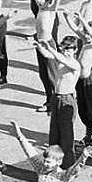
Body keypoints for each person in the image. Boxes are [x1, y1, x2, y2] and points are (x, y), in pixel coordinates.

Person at [27, 0, 66, 112]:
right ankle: (49, 100)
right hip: (39, 43)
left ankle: (57, 103)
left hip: (48, 44)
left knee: (52, 75)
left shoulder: (50, 9)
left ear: (47, 0)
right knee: (43, 74)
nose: (38, 0)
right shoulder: (41, 8)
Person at [36, 34, 82, 167]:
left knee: (66, 136)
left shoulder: (74, 64)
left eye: (69, 49)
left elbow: (56, 56)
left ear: (75, 50)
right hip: (56, 98)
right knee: (55, 133)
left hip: (67, 100)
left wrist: (50, 48)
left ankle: (68, 166)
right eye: (65, 48)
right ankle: (54, 162)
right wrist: (39, 46)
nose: (66, 51)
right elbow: (47, 55)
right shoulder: (61, 60)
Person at [62, 14, 92, 147]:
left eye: (89, 32)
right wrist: (66, 17)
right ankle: (88, 133)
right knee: (83, 108)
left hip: (88, 80)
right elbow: (75, 29)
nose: (86, 34)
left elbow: (90, 32)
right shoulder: (85, 43)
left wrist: (84, 21)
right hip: (78, 80)